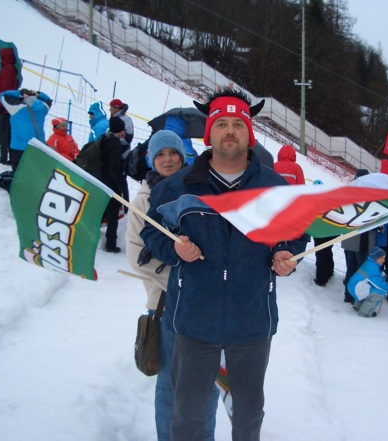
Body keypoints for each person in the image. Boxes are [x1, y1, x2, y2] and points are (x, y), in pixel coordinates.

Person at [141, 87, 308, 441]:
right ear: (209, 133)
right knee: (187, 414)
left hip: (252, 320)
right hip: (193, 319)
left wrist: (284, 252)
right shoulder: (177, 187)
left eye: (237, 124)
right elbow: (152, 233)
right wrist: (174, 249)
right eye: (221, 124)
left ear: (249, 133)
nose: (229, 131)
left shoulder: (273, 187)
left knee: (247, 416)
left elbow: (295, 233)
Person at [126, 129, 218, 440]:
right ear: (152, 160)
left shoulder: (197, 192)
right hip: (167, 304)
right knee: (169, 383)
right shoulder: (143, 200)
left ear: (182, 157)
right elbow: (137, 256)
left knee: (209, 380)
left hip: (205, 306)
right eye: (161, 154)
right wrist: (188, 279)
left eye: (173, 153)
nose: (167, 159)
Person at [341, 169, 375, 303]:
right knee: (361, 271)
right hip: (362, 240)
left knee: (351, 268)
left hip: (348, 239)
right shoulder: (370, 196)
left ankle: (348, 295)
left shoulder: (347, 193)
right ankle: (357, 297)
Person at [0, 88, 52, 171]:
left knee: (18, 174)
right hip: (37, 146)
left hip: (18, 147)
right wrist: (38, 94)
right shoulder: (43, 108)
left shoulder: (17, 108)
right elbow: (48, 100)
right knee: (34, 173)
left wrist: (19, 92)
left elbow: (2, 95)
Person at [100, 117, 129, 253]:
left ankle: (94, 238)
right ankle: (111, 244)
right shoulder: (116, 145)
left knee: (100, 212)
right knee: (112, 216)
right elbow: (114, 168)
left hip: (100, 181)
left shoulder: (103, 139)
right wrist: (121, 188)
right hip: (112, 185)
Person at [0, 47, 19, 165]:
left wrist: (1, 105)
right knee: (7, 133)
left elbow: (5, 90)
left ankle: (4, 157)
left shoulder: (7, 69)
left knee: (3, 133)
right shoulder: (10, 69)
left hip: (3, 108)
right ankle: (8, 157)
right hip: (6, 108)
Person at [346, 246, 388, 317]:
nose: (384, 260)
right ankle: (365, 312)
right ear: (375, 258)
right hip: (356, 288)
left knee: (368, 288)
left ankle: (357, 305)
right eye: (382, 258)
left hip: (353, 286)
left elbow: (372, 278)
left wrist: (382, 274)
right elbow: (379, 284)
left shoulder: (369, 263)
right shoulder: (373, 268)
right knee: (379, 293)